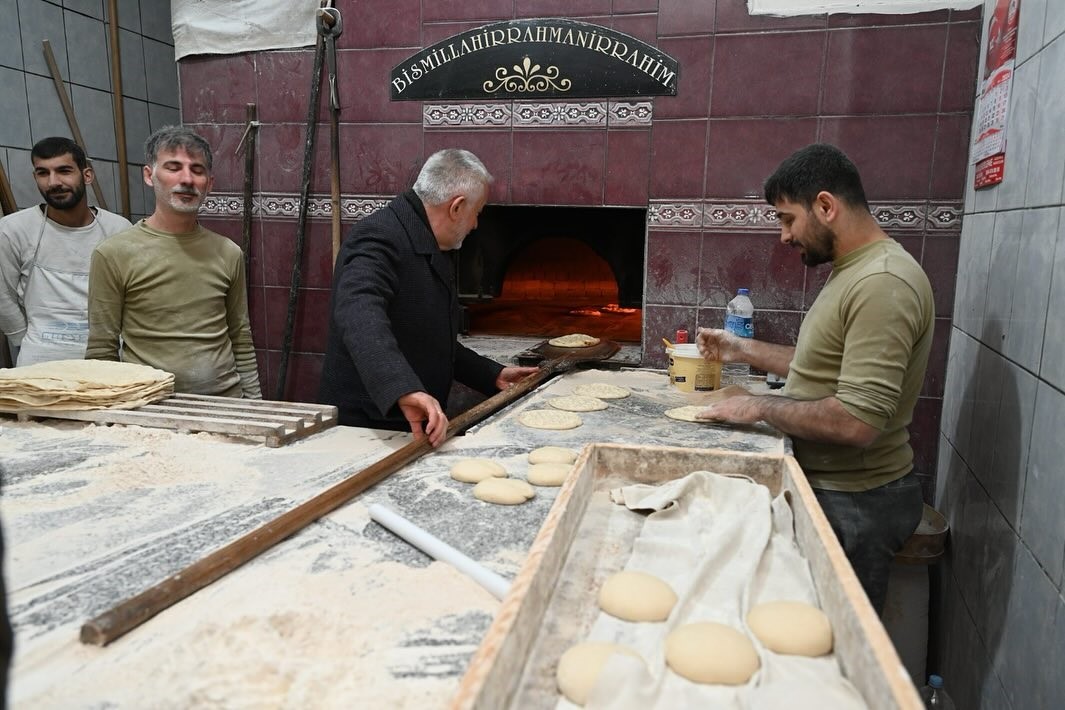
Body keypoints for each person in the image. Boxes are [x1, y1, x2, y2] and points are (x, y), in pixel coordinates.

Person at [696, 144, 933, 613]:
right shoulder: (853, 270)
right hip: (838, 490)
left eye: (787, 219)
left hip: (856, 503)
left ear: (826, 206)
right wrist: (741, 348)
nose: (784, 236)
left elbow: (857, 422)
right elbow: (820, 367)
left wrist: (761, 407)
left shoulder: (883, 282)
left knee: (830, 649)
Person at [319, 149, 537, 446]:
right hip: (367, 429)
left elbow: (428, 338)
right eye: (478, 212)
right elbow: (359, 315)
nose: (475, 225)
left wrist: (491, 374)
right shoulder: (378, 238)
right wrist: (401, 387)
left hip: (409, 423)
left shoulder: (424, 238)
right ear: (457, 207)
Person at [86, 126, 261, 399]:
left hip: (226, 401)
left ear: (210, 184)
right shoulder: (113, 254)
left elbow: (241, 336)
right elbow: (101, 349)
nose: (187, 179)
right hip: (149, 405)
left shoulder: (228, 252)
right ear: (149, 175)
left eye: (197, 170)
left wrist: (254, 404)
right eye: (173, 167)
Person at [0, 137, 131, 366]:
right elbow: (3, 295)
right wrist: (25, 340)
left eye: (64, 171)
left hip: (106, 360)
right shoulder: (13, 230)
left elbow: (131, 297)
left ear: (87, 175)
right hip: (39, 361)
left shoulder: (118, 229)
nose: (53, 182)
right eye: (43, 173)